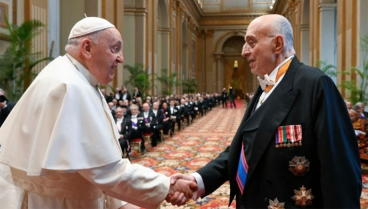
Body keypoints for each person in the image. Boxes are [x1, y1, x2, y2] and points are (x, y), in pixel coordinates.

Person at [0, 17, 197, 209]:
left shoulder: (74, 77)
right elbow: (104, 170)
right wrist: (166, 186)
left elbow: (90, 166)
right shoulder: (71, 86)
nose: (121, 58)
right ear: (87, 48)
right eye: (115, 49)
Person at [171, 14, 361, 208]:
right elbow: (247, 149)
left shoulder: (315, 85)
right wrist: (198, 180)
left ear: (277, 44)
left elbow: (340, 171)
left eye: (251, 43)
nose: (244, 52)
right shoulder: (265, 87)